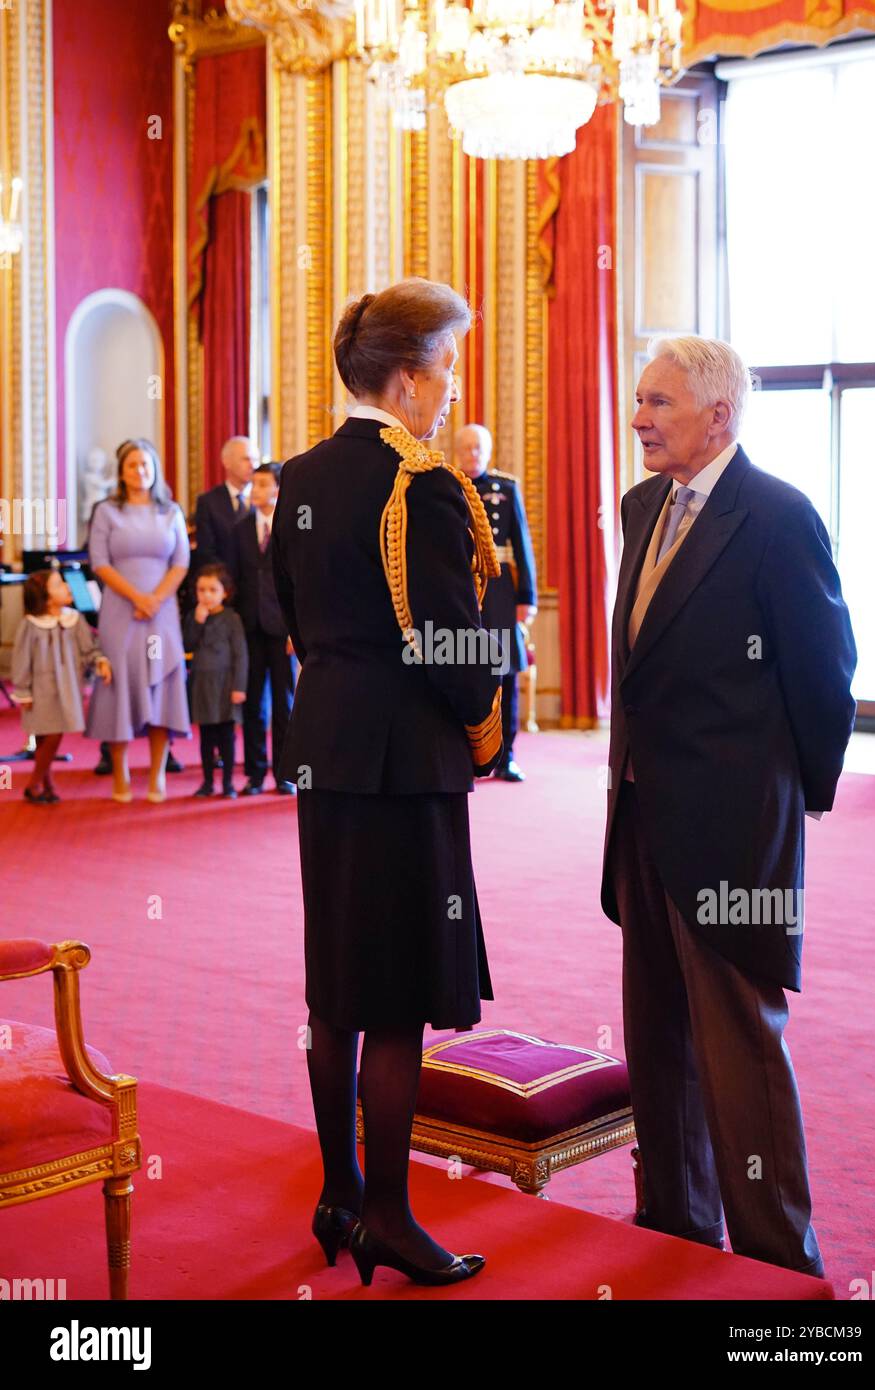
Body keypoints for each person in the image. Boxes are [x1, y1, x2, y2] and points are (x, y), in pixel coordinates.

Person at [600, 335, 857, 1278]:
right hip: (640, 820)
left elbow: (826, 677)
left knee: (741, 1041)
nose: (639, 420)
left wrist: (790, 801)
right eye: (638, 401)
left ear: (720, 416)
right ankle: (673, 1220)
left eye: (659, 404)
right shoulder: (639, 508)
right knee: (657, 1032)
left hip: (736, 826)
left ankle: (778, 1261)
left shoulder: (779, 517)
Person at [272, 278, 503, 1288]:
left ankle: (337, 1190)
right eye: (447, 365)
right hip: (405, 762)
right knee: (400, 992)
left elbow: (288, 612)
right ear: (408, 376)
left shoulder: (302, 473)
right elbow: (455, 657)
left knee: (337, 983)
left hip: (326, 746)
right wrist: (496, 662)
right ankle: (392, 1216)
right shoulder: (424, 485)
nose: (451, 388)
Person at [85, 438, 191, 802]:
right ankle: (120, 773)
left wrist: (156, 598)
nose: (139, 471)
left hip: (162, 613)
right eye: (132, 465)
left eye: (145, 464)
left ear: (154, 469)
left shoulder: (170, 511)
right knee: (119, 685)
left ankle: (158, 773)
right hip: (120, 610)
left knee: (161, 683)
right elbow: (99, 562)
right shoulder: (106, 511)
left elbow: (181, 562)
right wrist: (137, 598)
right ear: (122, 471)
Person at [454, 423, 537, 781]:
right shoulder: (448, 486)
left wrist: (527, 598)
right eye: (467, 447)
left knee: (504, 670)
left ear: (487, 452)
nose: (473, 454)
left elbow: (522, 544)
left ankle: (507, 755)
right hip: (462, 589)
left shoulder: (506, 488)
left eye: (478, 448)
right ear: (458, 450)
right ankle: (464, 751)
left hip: (501, 591)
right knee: (462, 665)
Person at [11, 568, 112, 803]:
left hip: (67, 688)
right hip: (41, 690)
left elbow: (88, 649)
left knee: (50, 735)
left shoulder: (73, 619)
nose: (66, 587)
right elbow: (22, 660)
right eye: (58, 585)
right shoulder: (31, 624)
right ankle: (35, 782)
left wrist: (100, 661)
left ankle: (46, 785)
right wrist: (23, 690)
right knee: (49, 734)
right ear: (44, 597)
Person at [229, 462, 296, 796]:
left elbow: (299, 580)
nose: (253, 490)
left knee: (285, 702)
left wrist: (294, 628)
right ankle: (255, 774)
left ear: (278, 490)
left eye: (262, 484)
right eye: (252, 484)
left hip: (282, 628)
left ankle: (285, 773)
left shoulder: (292, 527)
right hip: (249, 625)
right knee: (253, 702)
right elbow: (234, 578)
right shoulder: (239, 528)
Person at [182, 563, 248, 799]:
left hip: (225, 685)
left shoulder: (232, 619)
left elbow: (241, 654)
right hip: (202, 684)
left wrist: (239, 686)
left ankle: (228, 782)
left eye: (212, 589)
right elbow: (187, 645)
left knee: (226, 737)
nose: (206, 595)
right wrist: (197, 621)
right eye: (202, 590)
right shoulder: (194, 617)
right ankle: (208, 781)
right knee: (206, 737)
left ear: (225, 592)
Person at [193, 436, 259, 568]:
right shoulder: (208, 502)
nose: (252, 466)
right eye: (246, 459)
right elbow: (206, 553)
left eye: (255, 460)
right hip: (224, 582)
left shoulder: (266, 501)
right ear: (227, 462)